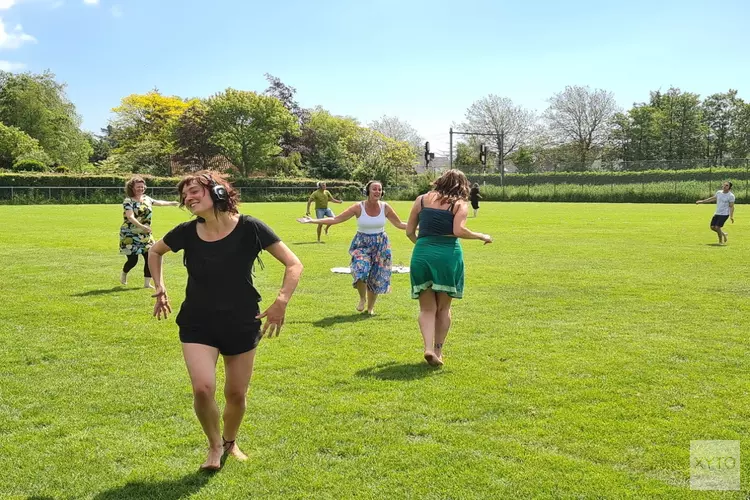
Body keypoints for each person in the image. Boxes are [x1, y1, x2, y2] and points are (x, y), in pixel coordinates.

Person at [148, 171, 303, 471]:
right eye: (184, 195)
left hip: (241, 320)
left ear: (217, 192)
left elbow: (294, 263)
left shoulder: (250, 227)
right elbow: (155, 251)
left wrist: (281, 301)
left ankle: (230, 442)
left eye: (195, 191)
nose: (188, 198)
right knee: (202, 388)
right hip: (197, 321)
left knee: (235, 393)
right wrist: (160, 287)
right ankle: (214, 445)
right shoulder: (186, 231)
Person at [405, 169, 492, 367]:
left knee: (427, 308)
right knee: (443, 308)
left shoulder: (420, 200)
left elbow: (409, 231)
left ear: (440, 181)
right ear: (462, 186)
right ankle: (438, 350)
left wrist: (423, 247)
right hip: (447, 255)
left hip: (422, 254)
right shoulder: (459, 203)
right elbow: (458, 230)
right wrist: (481, 236)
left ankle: (427, 348)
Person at [298, 180, 406, 315]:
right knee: (360, 269)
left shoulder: (385, 207)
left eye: (379, 189)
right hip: (362, 244)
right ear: (368, 191)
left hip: (381, 244)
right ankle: (362, 298)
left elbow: (400, 224)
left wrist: (422, 227)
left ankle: (370, 308)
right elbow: (336, 219)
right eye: (374, 189)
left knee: (376, 276)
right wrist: (313, 220)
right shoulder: (358, 207)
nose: (377, 192)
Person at [119, 175, 179, 288]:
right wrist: (142, 226)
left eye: (142, 187)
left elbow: (159, 203)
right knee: (133, 260)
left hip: (145, 234)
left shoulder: (147, 199)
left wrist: (171, 203)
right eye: (138, 187)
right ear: (132, 188)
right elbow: (130, 217)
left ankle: (147, 284)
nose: (141, 189)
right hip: (130, 234)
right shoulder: (128, 201)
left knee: (149, 257)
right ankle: (124, 273)